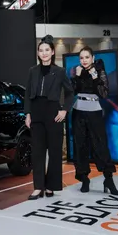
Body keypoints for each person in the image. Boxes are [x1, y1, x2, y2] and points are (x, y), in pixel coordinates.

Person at [24, 35, 74, 200]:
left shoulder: (59, 72)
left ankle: (51, 186)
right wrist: (27, 113)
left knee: (54, 152)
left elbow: (70, 93)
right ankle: (38, 187)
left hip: (53, 113)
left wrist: (64, 110)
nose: (44, 53)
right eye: (41, 50)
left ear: (52, 52)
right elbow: (27, 94)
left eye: (47, 50)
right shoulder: (32, 71)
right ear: (38, 53)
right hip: (36, 113)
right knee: (37, 152)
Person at [70, 46, 118, 196]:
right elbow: (72, 91)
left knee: (100, 144)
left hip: (94, 111)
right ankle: (84, 179)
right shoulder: (77, 71)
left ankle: (109, 180)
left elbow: (104, 94)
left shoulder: (99, 71)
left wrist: (94, 77)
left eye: (87, 57)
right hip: (78, 111)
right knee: (80, 146)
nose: (84, 60)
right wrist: (76, 77)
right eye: (81, 58)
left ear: (92, 58)